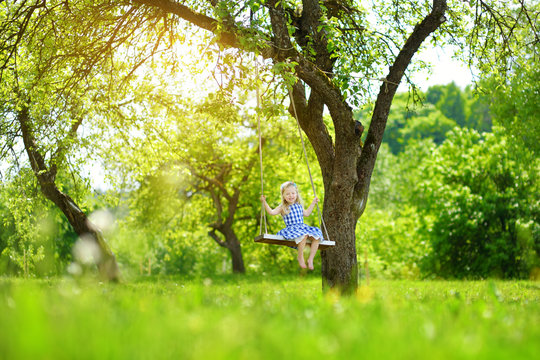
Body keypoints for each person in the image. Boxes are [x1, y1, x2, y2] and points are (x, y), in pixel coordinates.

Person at [261, 181, 323, 270]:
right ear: (283, 196)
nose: (291, 196)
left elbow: (307, 213)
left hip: (302, 227)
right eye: (288, 194)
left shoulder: (299, 206)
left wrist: (313, 203)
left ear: (296, 194)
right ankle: (300, 257)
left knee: (317, 237)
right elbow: (271, 212)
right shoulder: (282, 207)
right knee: (304, 236)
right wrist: (264, 202)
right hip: (292, 229)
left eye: (293, 193)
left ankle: (310, 259)